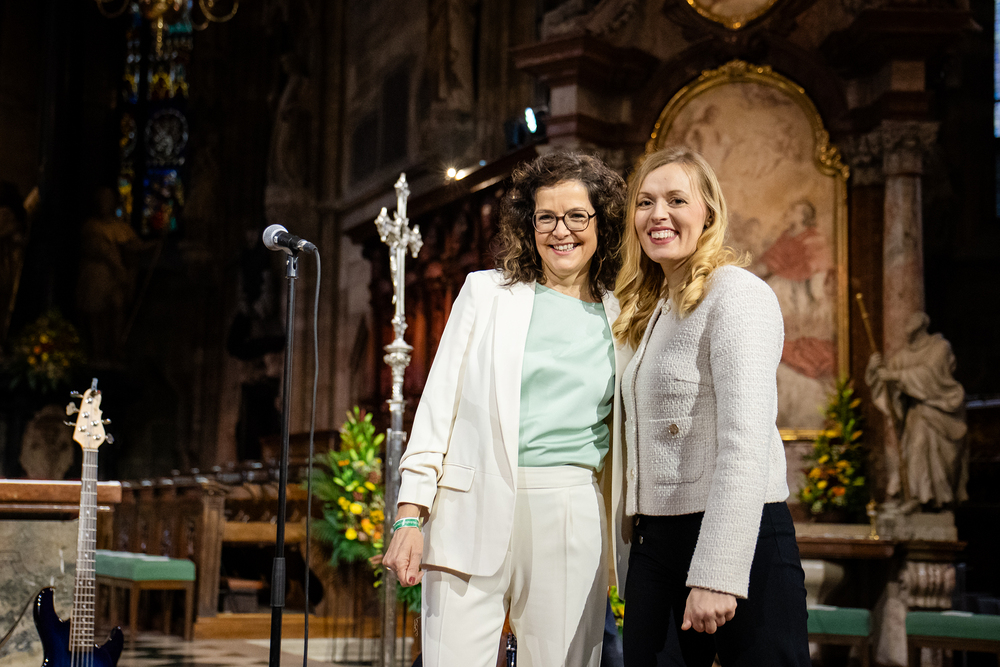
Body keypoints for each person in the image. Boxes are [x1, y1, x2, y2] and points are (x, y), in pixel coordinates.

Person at [383, 151, 630, 667]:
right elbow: (438, 407)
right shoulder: (486, 293)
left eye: (577, 216)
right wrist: (408, 515)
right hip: (469, 508)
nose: (561, 230)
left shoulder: (623, 315)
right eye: (546, 217)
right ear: (528, 224)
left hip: (571, 511)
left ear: (601, 223)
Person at [612, 146, 810, 666]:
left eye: (676, 200)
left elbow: (745, 440)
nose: (658, 214)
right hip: (657, 542)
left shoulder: (737, 295)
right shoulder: (653, 308)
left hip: (738, 539)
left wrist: (718, 572)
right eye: (645, 202)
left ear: (709, 213)